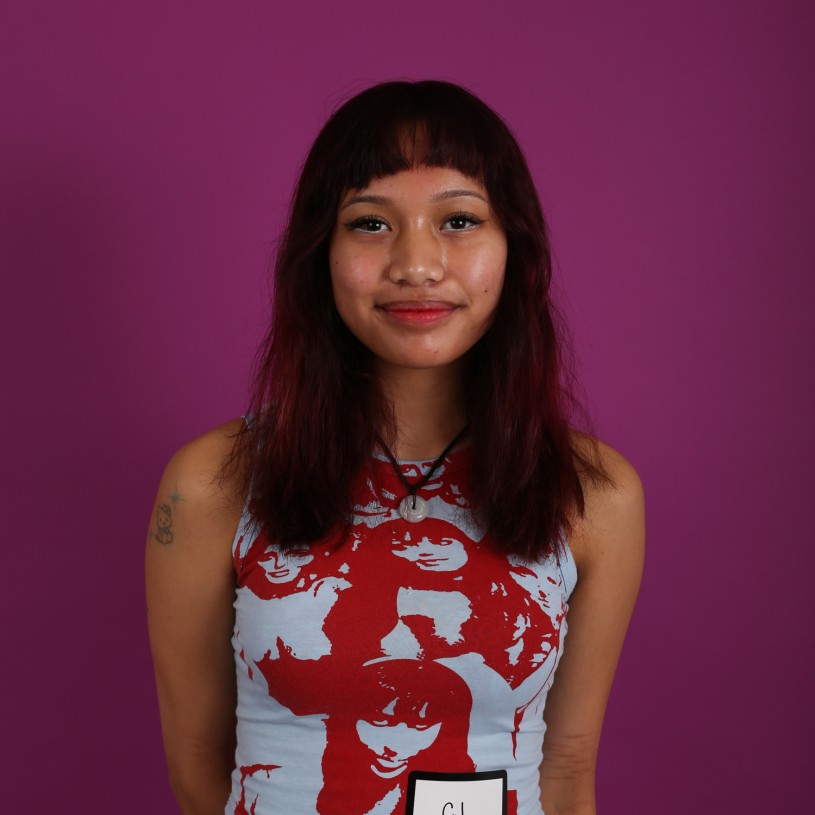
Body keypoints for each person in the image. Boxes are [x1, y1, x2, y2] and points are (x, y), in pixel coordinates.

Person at [145, 79, 645, 815]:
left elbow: (567, 775)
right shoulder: (213, 483)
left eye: (459, 220)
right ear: (321, 250)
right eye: (371, 224)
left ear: (516, 251)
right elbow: (197, 773)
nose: (416, 263)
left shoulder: (594, 494)